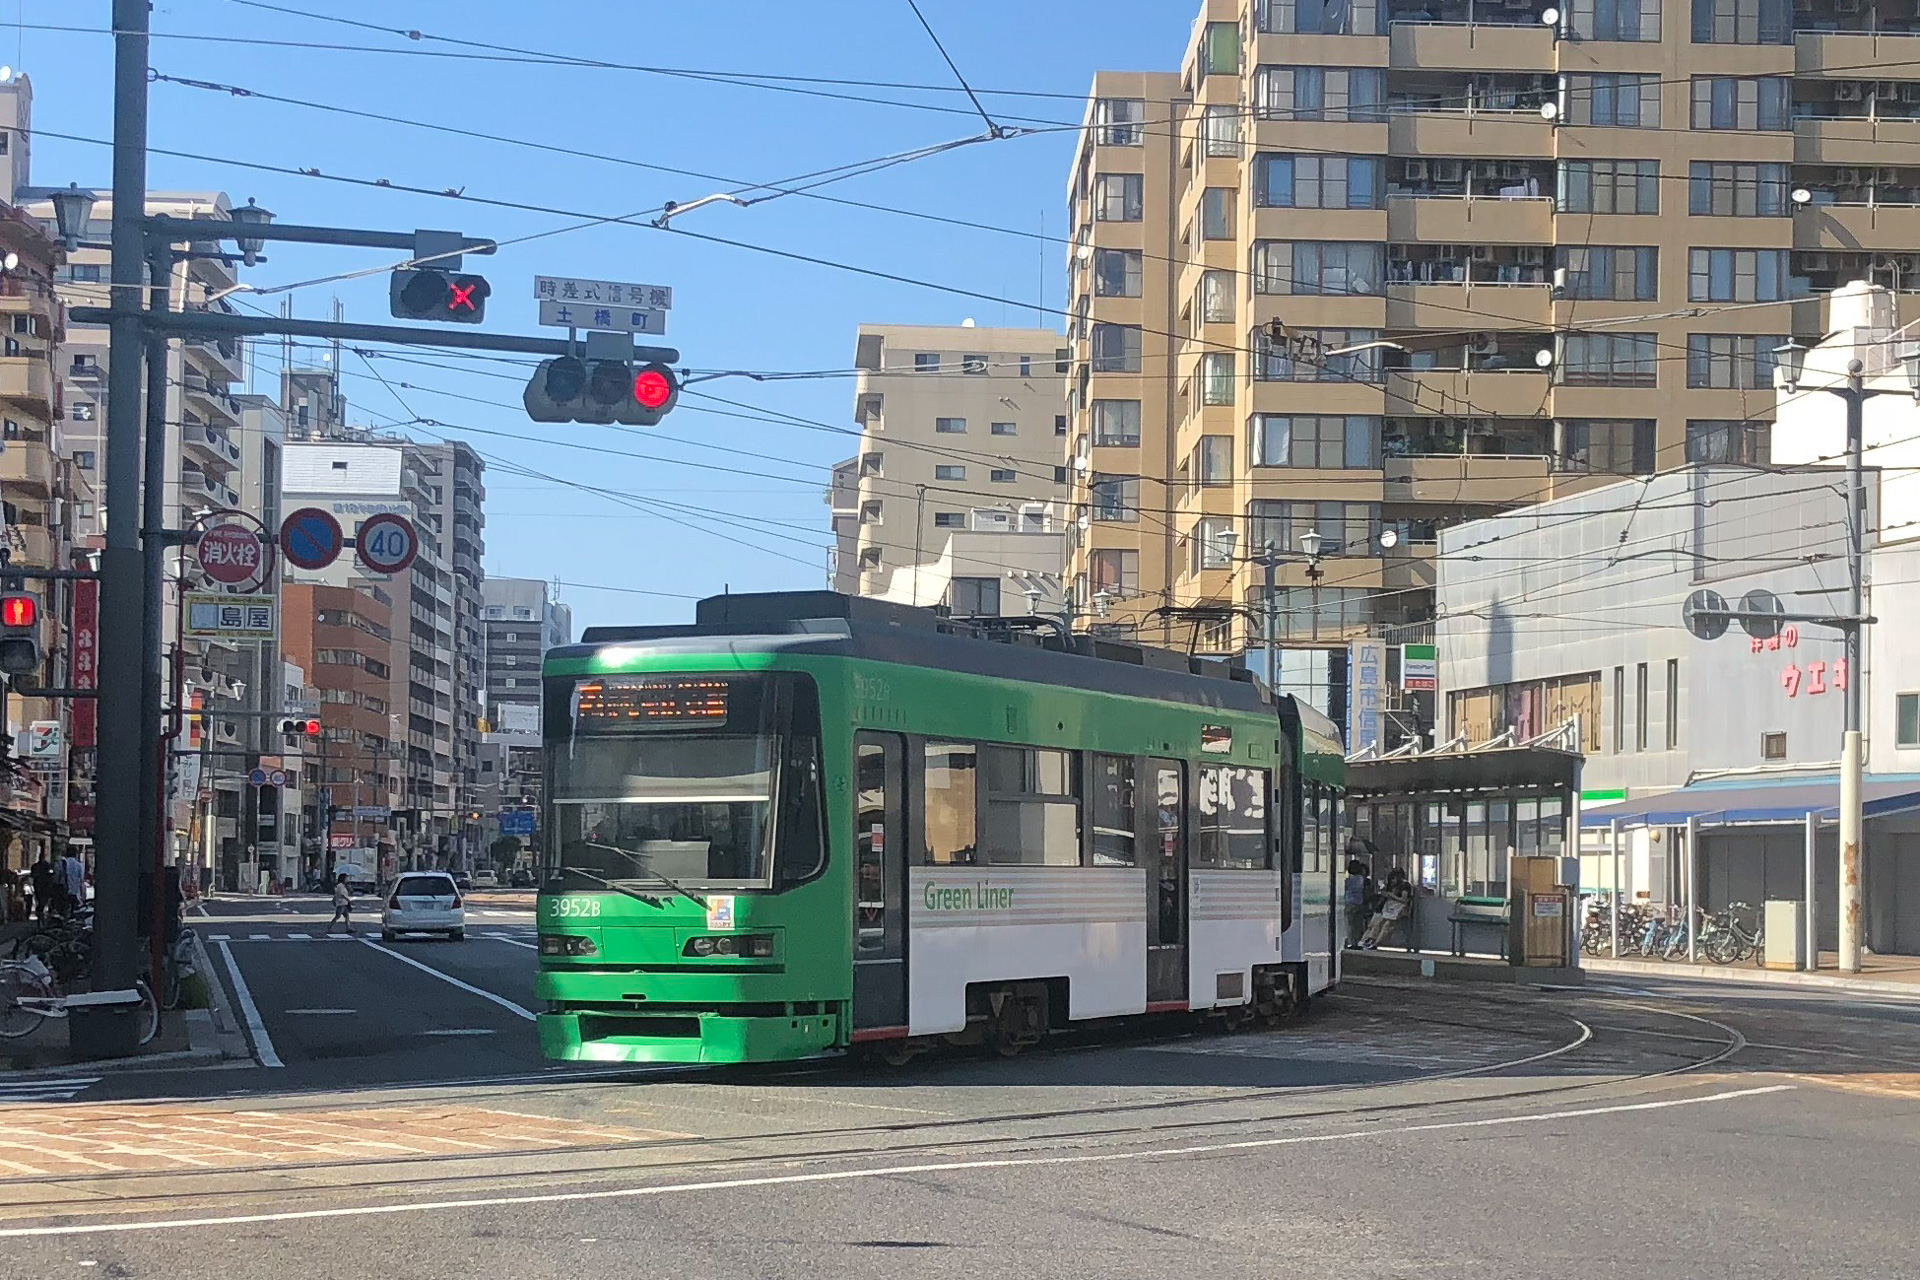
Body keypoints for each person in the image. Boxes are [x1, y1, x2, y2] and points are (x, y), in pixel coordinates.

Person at [1362, 868, 1413, 950]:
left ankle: (1377, 943)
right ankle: (1371, 939)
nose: (1393, 880)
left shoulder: (1405, 886)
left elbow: (1404, 899)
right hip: (1390, 908)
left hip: (1399, 908)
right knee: (1379, 923)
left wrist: (1391, 896)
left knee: (1387, 925)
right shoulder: (1391, 885)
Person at [1342, 859, 1373, 949]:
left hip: (1349, 903)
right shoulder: (1361, 879)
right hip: (1359, 904)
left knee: (1350, 925)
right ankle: (1358, 941)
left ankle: (1352, 942)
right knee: (1358, 925)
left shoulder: (1348, 880)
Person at [57, 849, 86, 917]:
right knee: (74, 911)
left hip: (63, 890)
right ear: (75, 854)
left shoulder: (62, 864)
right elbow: (81, 880)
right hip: (75, 892)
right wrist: (83, 894)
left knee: (64, 909)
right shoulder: (79, 865)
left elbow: (58, 877)